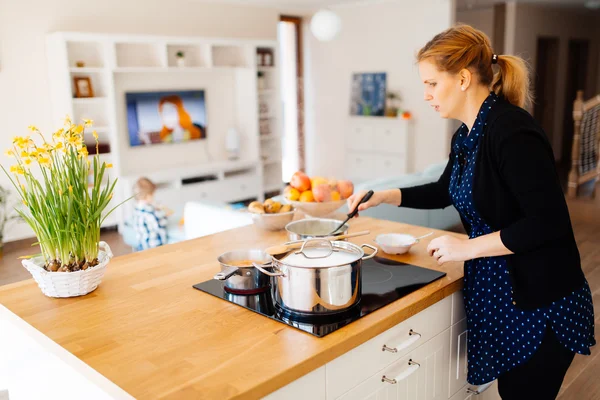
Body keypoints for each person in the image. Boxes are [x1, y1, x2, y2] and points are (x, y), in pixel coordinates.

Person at [347, 24, 595, 400]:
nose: (426, 94)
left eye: (431, 83)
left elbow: (548, 224)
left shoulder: (511, 131)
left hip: (541, 301)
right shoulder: (467, 134)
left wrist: (466, 248)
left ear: (462, 78)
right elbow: (444, 189)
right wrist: (383, 195)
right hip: (504, 291)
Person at [133, 177, 168, 251]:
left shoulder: (137, 209)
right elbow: (159, 225)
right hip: (154, 244)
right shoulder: (149, 212)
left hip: (142, 244)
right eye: (152, 195)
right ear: (148, 195)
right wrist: (165, 216)